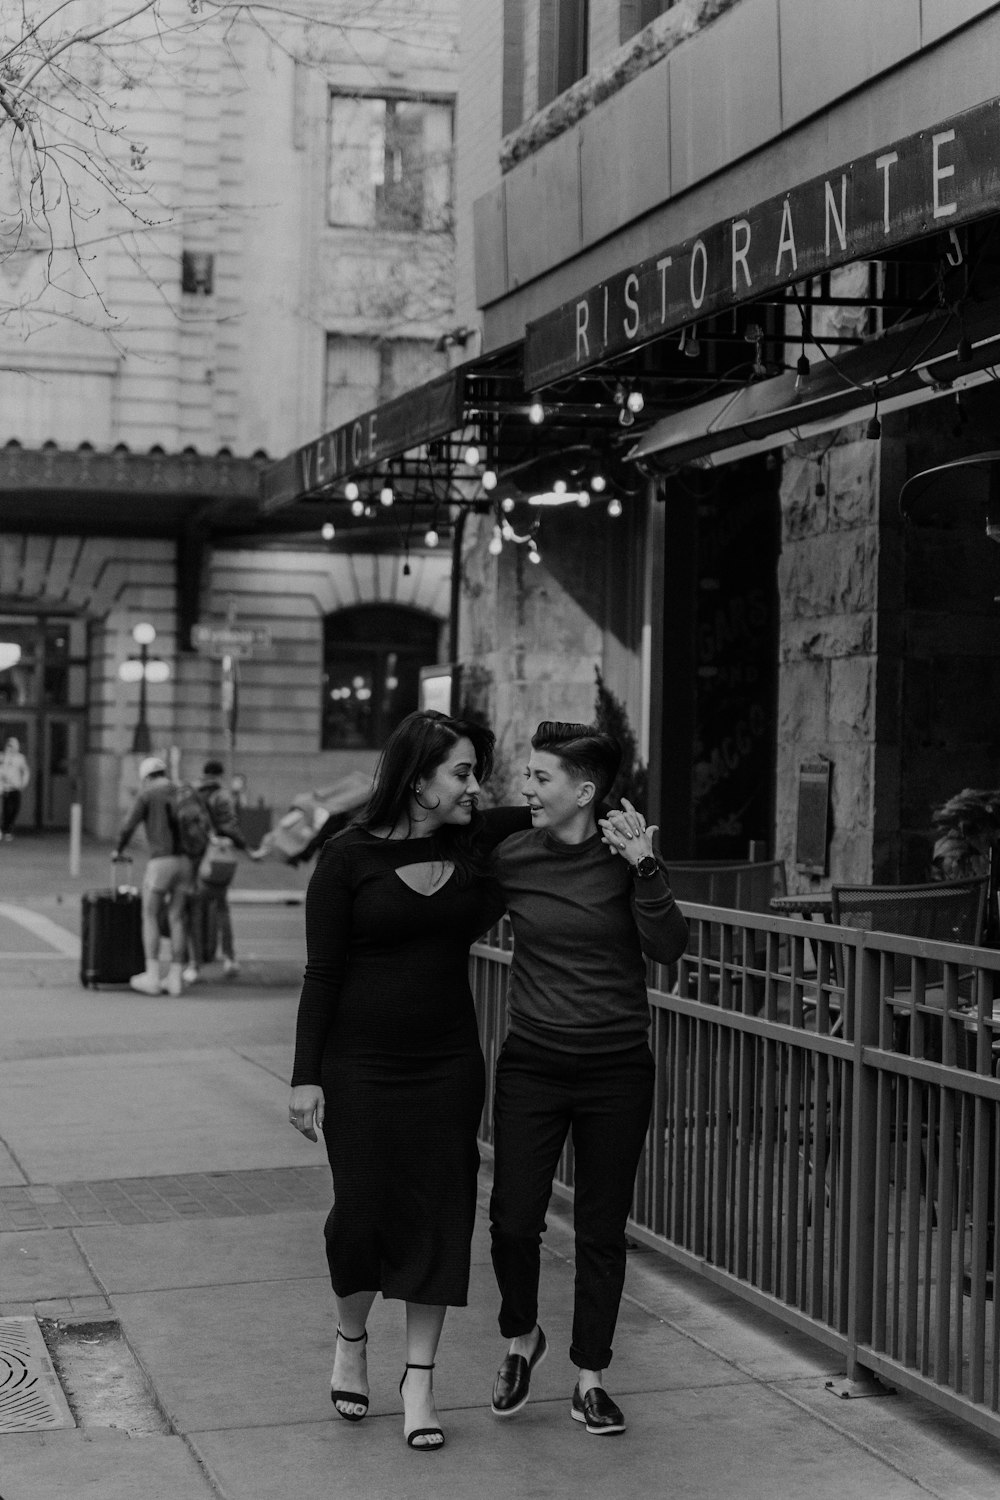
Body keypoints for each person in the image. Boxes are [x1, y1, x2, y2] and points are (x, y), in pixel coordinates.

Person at [288, 709, 529, 1452]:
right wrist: (304, 1077)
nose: (474, 786)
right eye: (460, 772)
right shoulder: (346, 859)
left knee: (440, 1216)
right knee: (360, 1214)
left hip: (448, 1066)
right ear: (418, 779)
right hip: (357, 1067)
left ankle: (419, 1381)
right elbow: (323, 973)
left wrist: (605, 811)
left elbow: (553, 811)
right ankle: (351, 1338)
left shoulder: (475, 842)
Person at [488, 721, 688, 1436]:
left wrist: (646, 865)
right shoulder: (512, 856)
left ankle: (589, 1379)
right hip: (534, 1064)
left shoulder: (623, 859)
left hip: (615, 1069)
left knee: (602, 1229)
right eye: (529, 775)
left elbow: (666, 949)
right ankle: (521, 1340)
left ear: (585, 791)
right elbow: (448, 908)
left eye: (540, 778)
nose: (526, 787)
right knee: (514, 1219)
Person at [114, 756, 192, 997]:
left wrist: (119, 849)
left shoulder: (147, 794)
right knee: (177, 917)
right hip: (185, 861)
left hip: (161, 860)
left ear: (146, 776)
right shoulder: (181, 790)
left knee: (149, 914)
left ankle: (152, 974)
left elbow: (128, 825)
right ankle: (176, 977)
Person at [182, 758, 262, 984]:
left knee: (194, 911)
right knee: (221, 907)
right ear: (219, 775)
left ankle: (194, 964)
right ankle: (229, 958)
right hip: (217, 858)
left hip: (194, 857)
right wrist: (246, 848)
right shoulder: (222, 795)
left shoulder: (190, 793)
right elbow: (229, 826)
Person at [0, 736, 30, 840]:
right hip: (5, 788)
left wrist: (23, 783)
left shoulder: (20, 758)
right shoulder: (2, 757)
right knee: (7, 809)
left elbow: (25, 771)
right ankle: (5, 830)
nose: (10, 747)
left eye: (12, 745)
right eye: (9, 745)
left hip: (16, 787)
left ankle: (8, 827)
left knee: (16, 809)